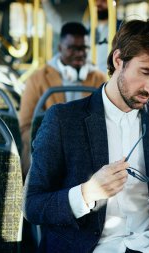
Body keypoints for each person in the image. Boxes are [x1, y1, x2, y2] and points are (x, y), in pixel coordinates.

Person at [23, 19, 149, 253]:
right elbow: (32, 206)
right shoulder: (63, 120)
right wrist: (86, 193)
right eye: (145, 72)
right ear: (118, 60)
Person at [19, 22, 107, 178]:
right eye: (72, 48)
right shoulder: (37, 79)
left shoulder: (99, 79)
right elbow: (25, 126)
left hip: (86, 153)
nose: (79, 54)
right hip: (46, 150)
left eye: (84, 49)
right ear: (60, 48)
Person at [41, 0, 111, 73]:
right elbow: (58, 25)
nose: (99, 3)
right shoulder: (87, 28)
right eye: (96, 1)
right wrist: (45, 2)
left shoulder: (119, 28)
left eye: (104, 1)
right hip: (89, 77)